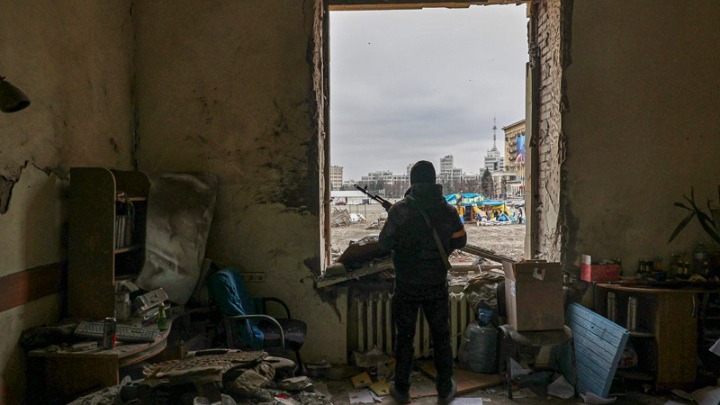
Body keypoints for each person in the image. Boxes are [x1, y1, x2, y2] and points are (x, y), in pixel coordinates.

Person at [379, 160, 467, 405]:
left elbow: (384, 243)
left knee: (404, 337)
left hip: (406, 284)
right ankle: (444, 389)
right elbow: (461, 240)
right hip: (436, 284)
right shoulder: (448, 211)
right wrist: (442, 247)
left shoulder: (400, 211)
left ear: (412, 182)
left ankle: (402, 389)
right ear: (434, 180)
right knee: (441, 337)